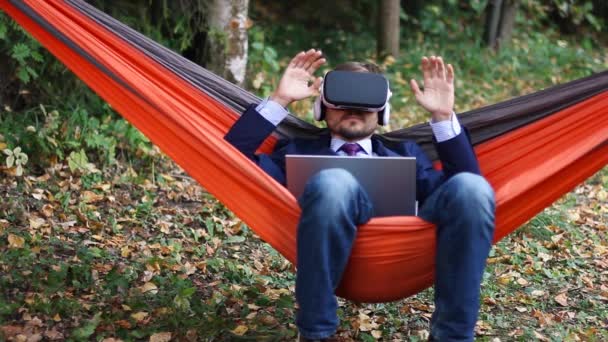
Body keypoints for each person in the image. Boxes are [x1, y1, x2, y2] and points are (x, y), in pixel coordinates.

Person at [225, 49, 496, 342]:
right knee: (334, 182)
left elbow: (466, 194)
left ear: (382, 111)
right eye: (341, 99)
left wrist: (443, 117)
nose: (353, 108)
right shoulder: (295, 152)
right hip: (321, 238)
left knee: (472, 188)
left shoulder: (407, 155)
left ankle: (452, 337)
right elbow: (228, 162)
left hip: (398, 249)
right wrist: (279, 101)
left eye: (365, 101)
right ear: (321, 108)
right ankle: (315, 335)